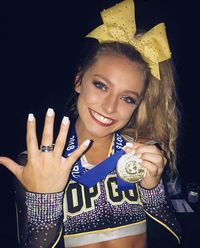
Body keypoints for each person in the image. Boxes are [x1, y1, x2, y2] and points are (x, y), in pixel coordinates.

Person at [0, 0, 181, 247]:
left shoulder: (143, 157)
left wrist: (153, 190)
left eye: (127, 98)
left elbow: (174, 240)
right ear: (78, 81)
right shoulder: (39, 164)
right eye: (101, 85)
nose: (109, 107)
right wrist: (46, 200)